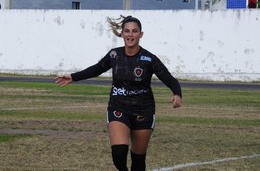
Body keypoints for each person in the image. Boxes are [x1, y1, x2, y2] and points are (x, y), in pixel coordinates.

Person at [55, 15, 182, 171]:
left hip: (144, 111)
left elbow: (169, 79)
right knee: (119, 153)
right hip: (118, 108)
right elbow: (96, 69)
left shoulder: (149, 59)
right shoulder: (114, 55)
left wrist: (177, 94)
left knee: (138, 160)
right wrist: (73, 77)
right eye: (127, 31)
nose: (130, 35)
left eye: (135, 31)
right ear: (122, 34)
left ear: (141, 34)